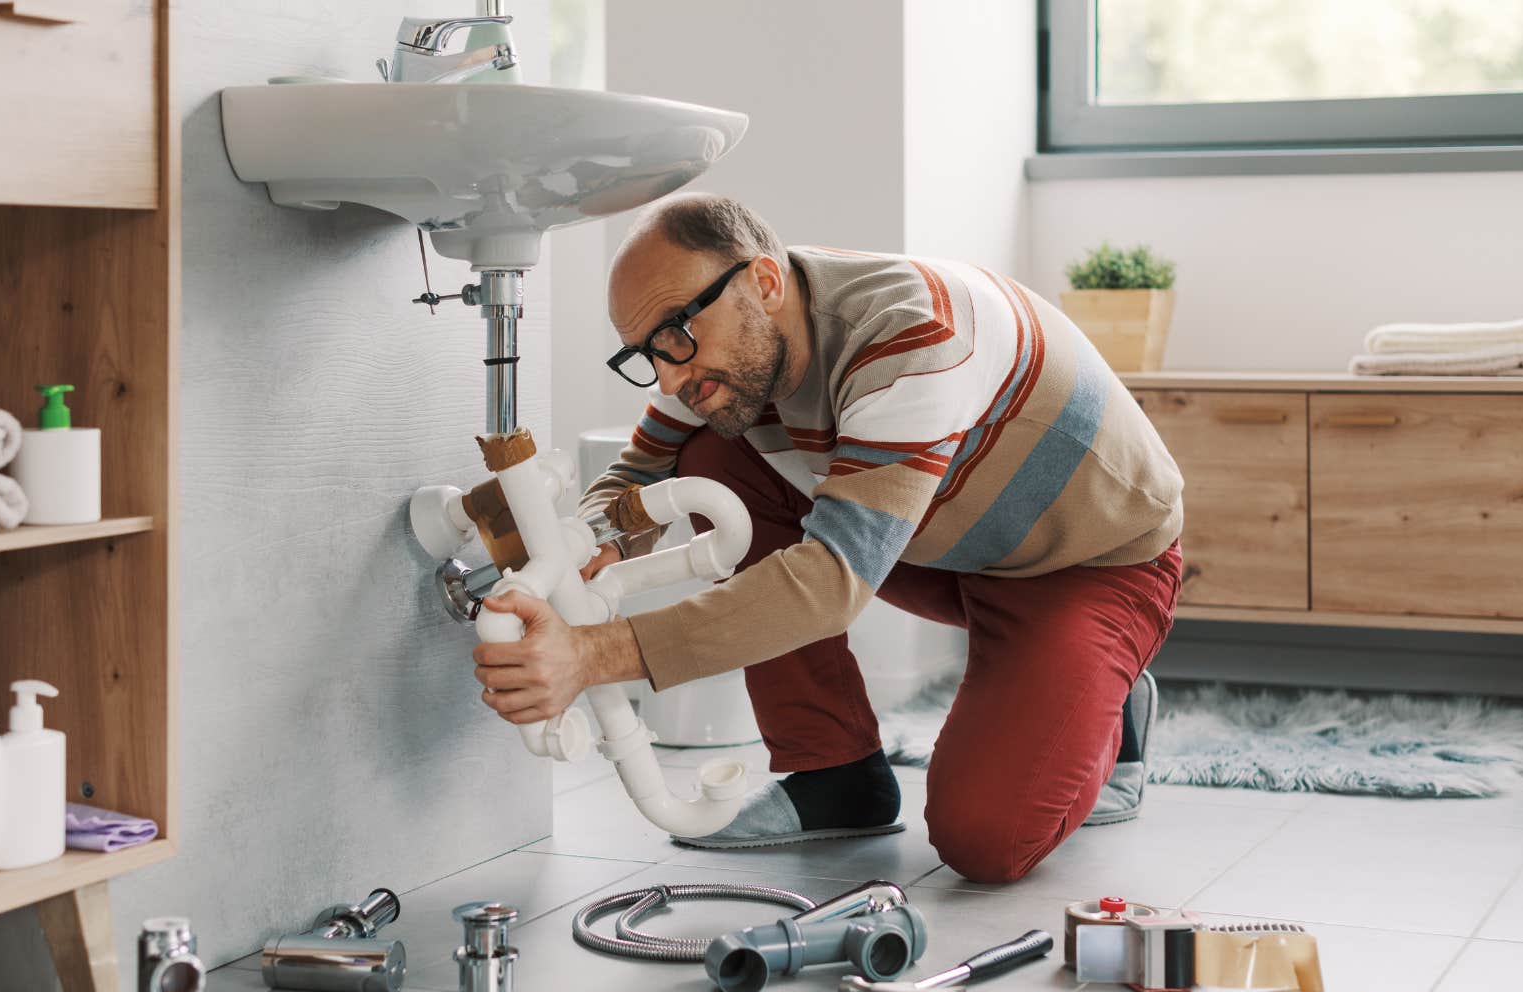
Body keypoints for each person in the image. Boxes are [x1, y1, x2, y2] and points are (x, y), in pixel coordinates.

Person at [470, 193, 1183, 883]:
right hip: (943, 543)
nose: (669, 374)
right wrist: (591, 545)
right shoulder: (718, 335)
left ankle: (1112, 697)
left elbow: (830, 582)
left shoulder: (912, 336)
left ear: (766, 280)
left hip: (1086, 566)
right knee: (711, 453)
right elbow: (641, 472)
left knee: (987, 840)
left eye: (675, 340)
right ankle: (834, 775)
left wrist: (592, 656)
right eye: (645, 353)